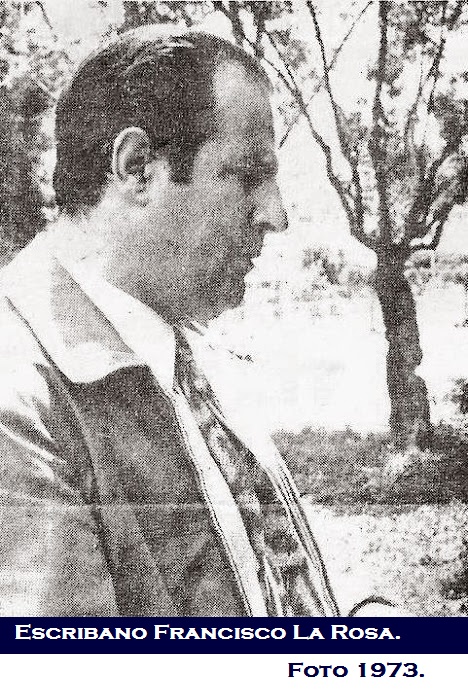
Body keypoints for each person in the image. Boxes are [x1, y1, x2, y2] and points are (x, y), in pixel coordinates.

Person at [0, 27, 397, 617]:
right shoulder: (19, 401)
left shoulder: (178, 344)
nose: (277, 215)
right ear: (138, 169)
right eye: (248, 175)